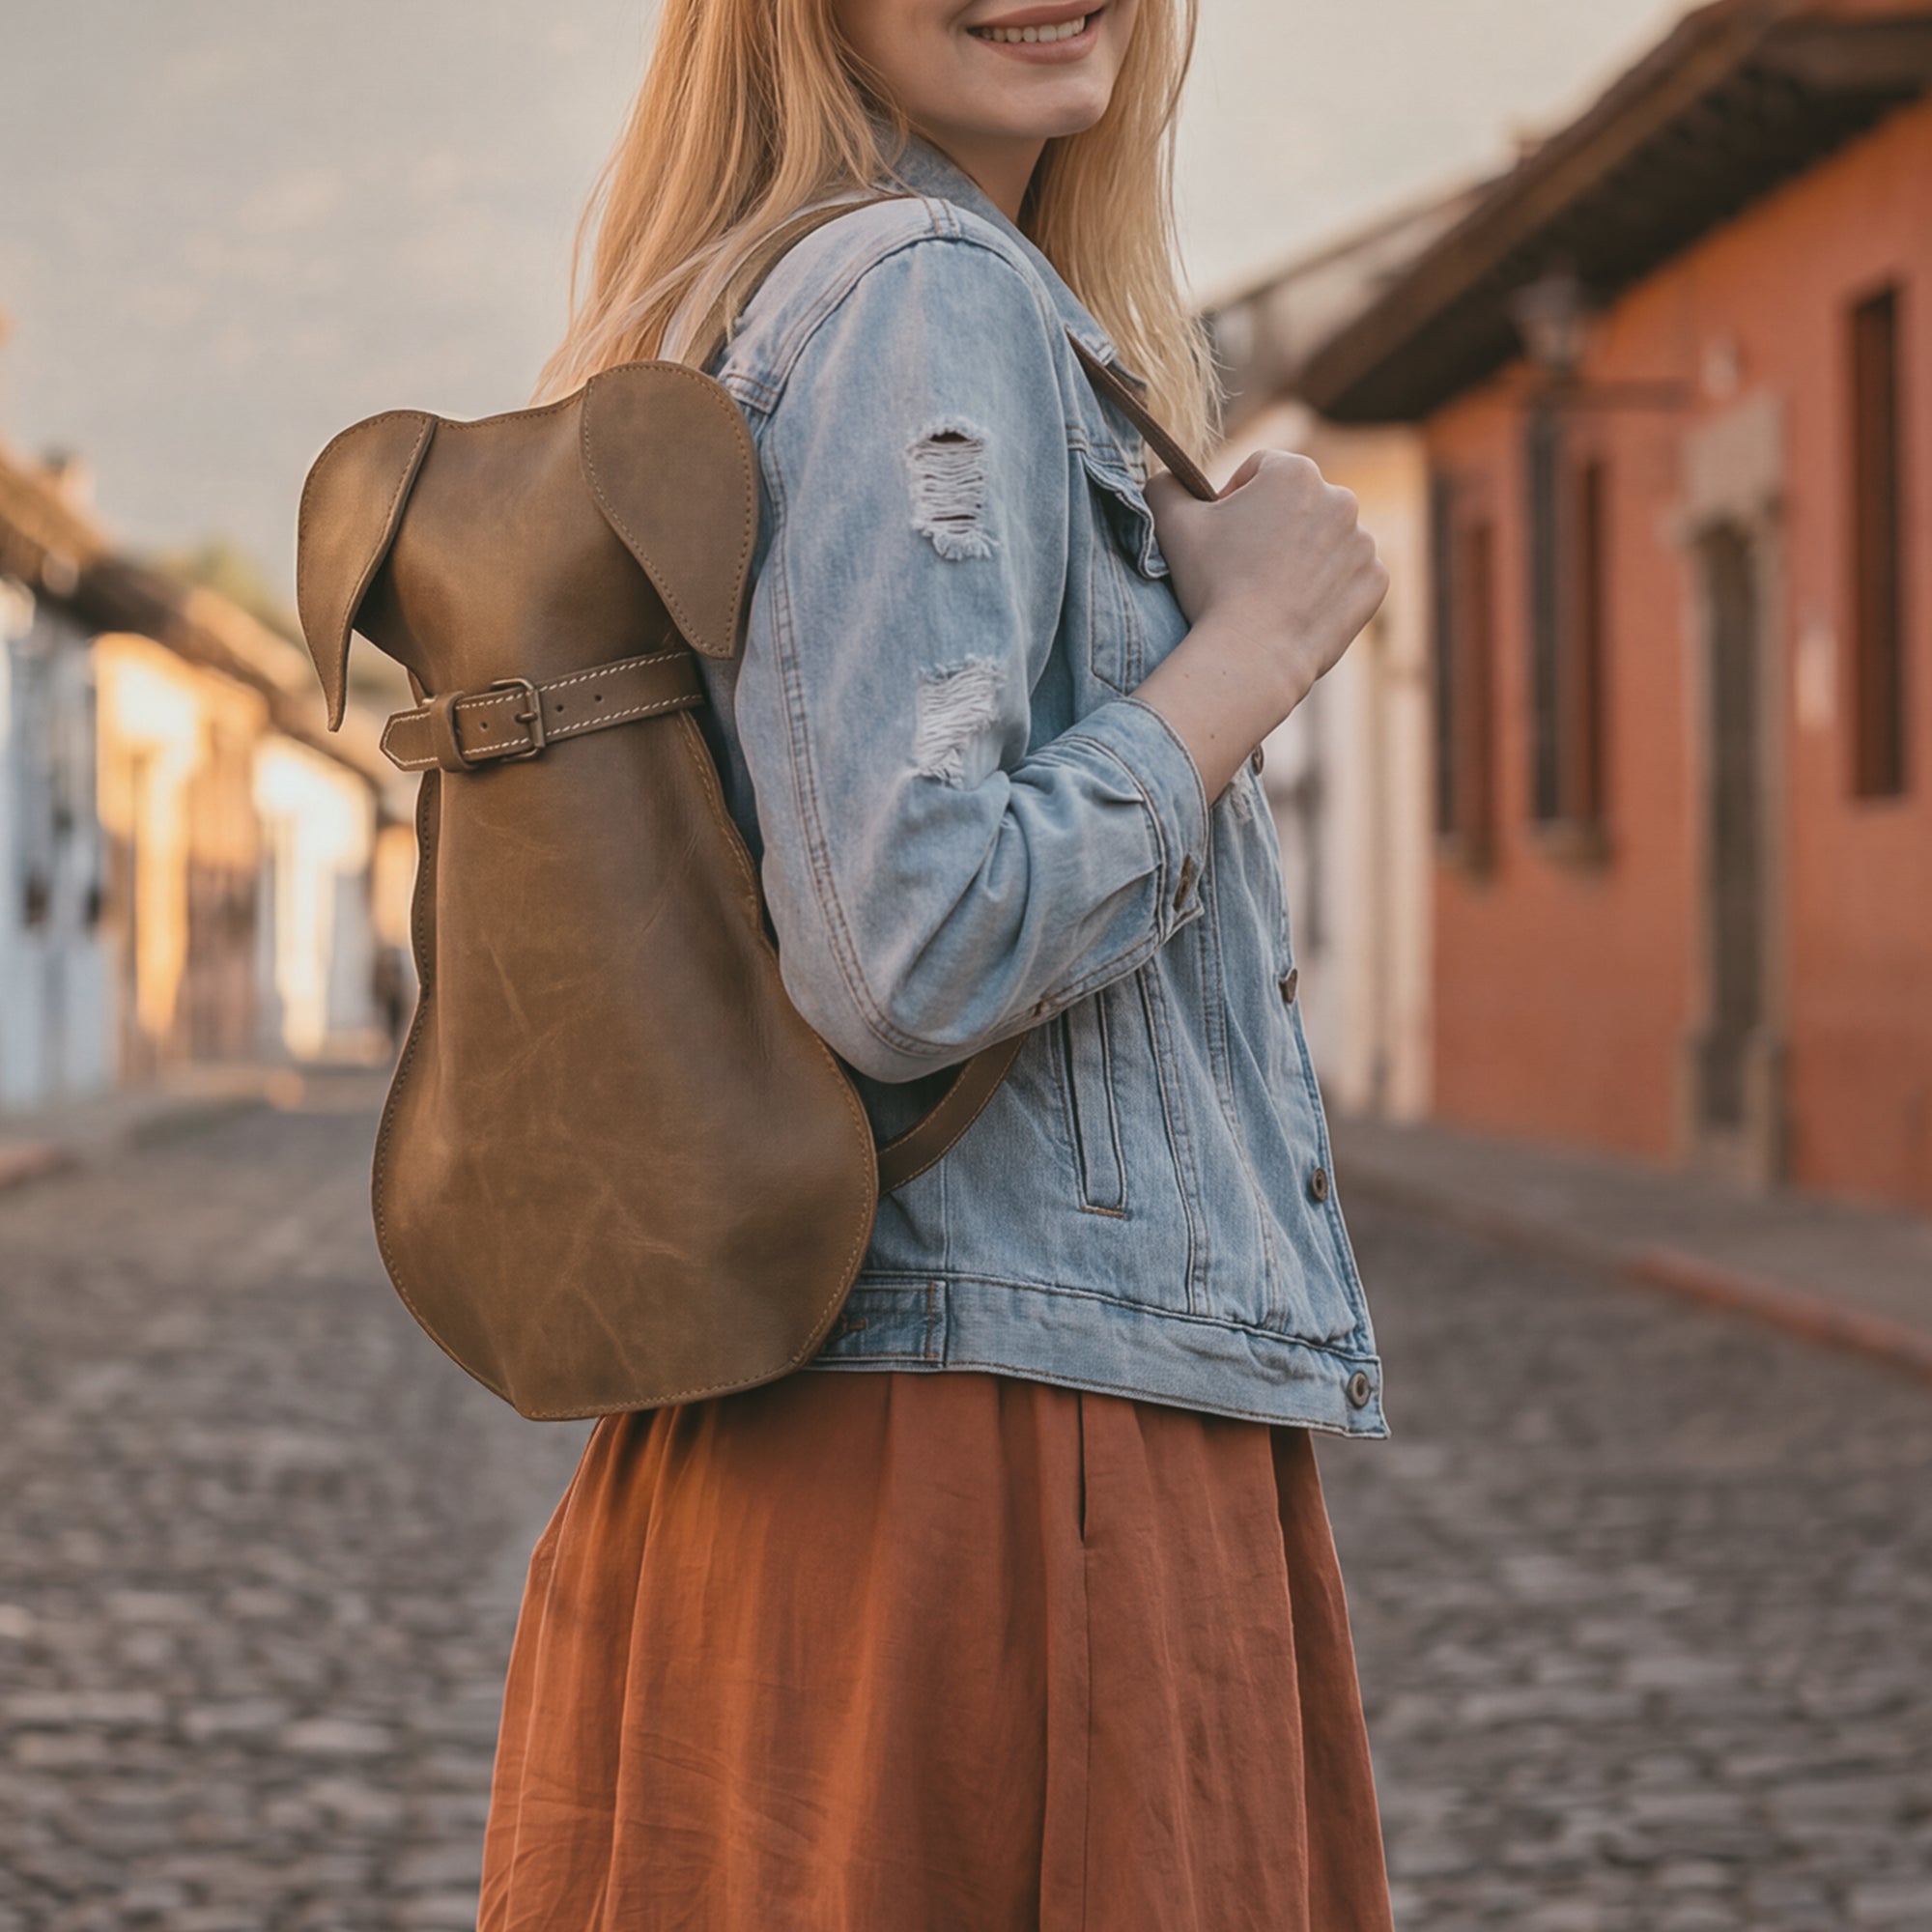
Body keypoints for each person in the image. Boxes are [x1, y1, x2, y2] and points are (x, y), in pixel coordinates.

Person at [478, 0, 1395, 1924]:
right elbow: (910, 945)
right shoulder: (917, 291)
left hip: (849, 1423)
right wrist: (1249, 654)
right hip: (993, 1465)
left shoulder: (801, 307)